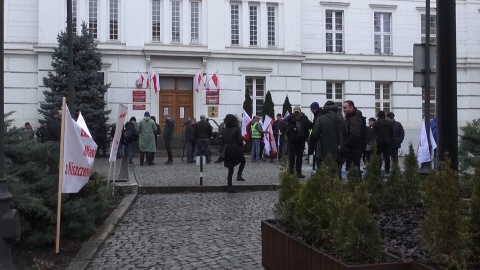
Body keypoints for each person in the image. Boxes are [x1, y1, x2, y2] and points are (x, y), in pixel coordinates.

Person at [310, 101, 346, 179]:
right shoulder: (340, 118)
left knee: (322, 170)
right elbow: (346, 133)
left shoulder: (320, 119)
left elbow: (315, 134)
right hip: (337, 149)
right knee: (337, 169)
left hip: (323, 149)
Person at [283, 106, 313, 178]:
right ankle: (291, 172)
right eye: (295, 112)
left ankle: (299, 172)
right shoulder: (290, 117)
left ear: (300, 112)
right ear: (294, 112)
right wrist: (289, 127)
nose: (296, 113)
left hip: (301, 140)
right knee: (291, 156)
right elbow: (282, 123)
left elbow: (311, 125)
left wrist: (306, 127)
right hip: (292, 140)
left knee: (299, 157)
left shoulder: (304, 118)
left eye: (298, 112)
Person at [222, 114, 246, 193]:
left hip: (227, 150)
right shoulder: (236, 129)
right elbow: (239, 141)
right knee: (243, 160)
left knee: (230, 169)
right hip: (235, 149)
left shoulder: (224, 130)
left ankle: (229, 186)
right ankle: (239, 175)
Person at [342, 100, 365, 173]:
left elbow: (354, 135)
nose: (343, 110)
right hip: (352, 148)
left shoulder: (355, 118)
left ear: (351, 107)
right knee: (353, 170)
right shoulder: (351, 117)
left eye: (345, 108)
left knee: (354, 171)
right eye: (343, 108)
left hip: (354, 149)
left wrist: (346, 144)